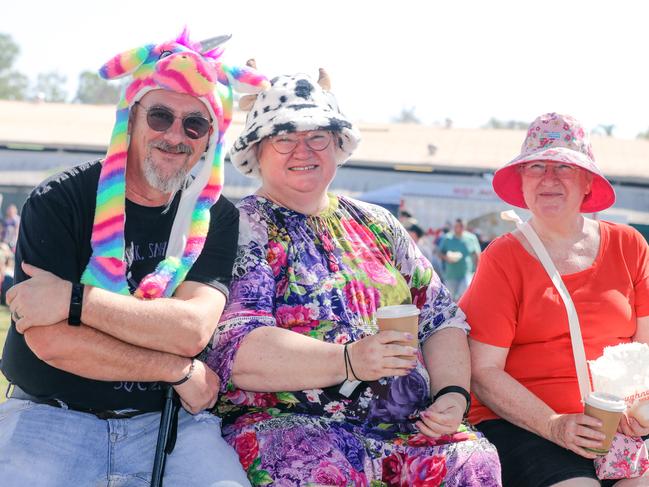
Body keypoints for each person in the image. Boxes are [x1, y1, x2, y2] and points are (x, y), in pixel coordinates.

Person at [206, 70, 501, 486]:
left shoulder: (377, 222)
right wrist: (348, 361)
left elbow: (440, 319)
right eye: (284, 138)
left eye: (317, 137)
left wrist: (452, 395)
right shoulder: (243, 226)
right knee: (313, 469)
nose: (302, 150)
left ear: (338, 144)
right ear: (257, 152)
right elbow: (240, 351)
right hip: (293, 424)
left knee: (472, 461)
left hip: (407, 429)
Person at [0, 30, 268, 486]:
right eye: (160, 116)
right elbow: (51, 343)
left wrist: (72, 301)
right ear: (131, 118)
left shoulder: (216, 217)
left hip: (165, 421)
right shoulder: (60, 199)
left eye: (195, 124)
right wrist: (173, 369)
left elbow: (190, 329)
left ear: (210, 138)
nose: (175, 135)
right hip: (50, 414)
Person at [460, 112, 649, 487]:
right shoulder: (503, 257)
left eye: (563, 167)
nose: (549, 178)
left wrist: (639, 407)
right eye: (537, 167)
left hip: (615, 427)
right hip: (526, 426)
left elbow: (646, 349)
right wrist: (555, 425)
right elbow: (483, 373)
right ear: (523, 182)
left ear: (586, 183)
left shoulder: (630, 245)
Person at [438, 219, 481, 300]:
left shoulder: (471, 238)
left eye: (461, 226)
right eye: (456, 226)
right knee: (450, 299)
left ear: (464, 227)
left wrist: (478, 271)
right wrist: (447, 258)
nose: (458, 228)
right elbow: (439, 253)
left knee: (464, 297)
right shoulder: (447, 238)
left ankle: (460, 311)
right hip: (450, 274)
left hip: (466, 273)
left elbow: (477, 254)